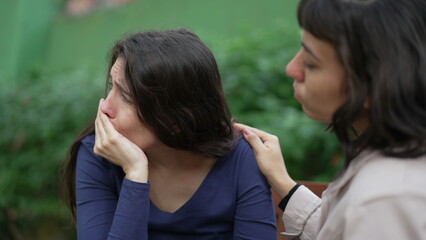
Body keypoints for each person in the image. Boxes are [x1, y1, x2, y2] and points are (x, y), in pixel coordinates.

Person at [235, 0, 426, 239]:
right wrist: (282, 181)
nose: (292, 68)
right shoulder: (392, 164)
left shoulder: (384, 202)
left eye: (312, 63)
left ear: (373, 84)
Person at [61, 29, 277, 240]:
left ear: (176, 120)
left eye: (125, 97)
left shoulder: (242, 160)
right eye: (111, 86)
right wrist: (135, 174)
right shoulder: (99, 154)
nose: (105, 106)